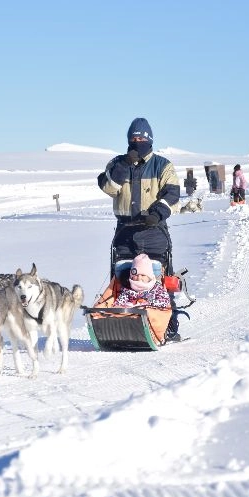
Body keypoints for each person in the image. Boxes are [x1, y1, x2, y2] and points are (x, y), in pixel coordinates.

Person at [98, 117, 181, 341]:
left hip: (153, 230)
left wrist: (157, 213)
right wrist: (124, 165)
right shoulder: (117, 163)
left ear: (150, 140)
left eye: (141, 139)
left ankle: (167, 325)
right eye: (133, 139)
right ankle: (122, 325)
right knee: (124, 277)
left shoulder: (162, 165)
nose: (137, 142)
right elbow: (108, 188)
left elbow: (173, 194)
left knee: (156, 278)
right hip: (124, 231)